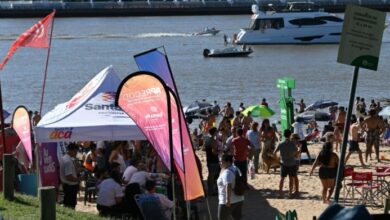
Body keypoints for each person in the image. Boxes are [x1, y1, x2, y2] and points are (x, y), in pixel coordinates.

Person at [217, 154, 244, 220]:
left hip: (228, 202)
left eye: (221, 161)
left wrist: (227, 199)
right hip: (239, 199)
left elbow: (228, 185)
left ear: (228, 162)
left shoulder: (227, 172)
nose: (220, 163)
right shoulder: (236, 168)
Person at [273, 129, 299, 198]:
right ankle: (290, 193)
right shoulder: (293, 144)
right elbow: (296, 155)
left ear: (284, 135)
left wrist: (277, 160)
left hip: (283, 163)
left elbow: (274, 153)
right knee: (291, 179)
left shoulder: (281, 143)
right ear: (290, 135)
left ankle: (280, 193)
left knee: (282, 179)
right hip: (292, 163)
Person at [59, 143, 81, 209]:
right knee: (70, 205)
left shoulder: (65, 158)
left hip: (68, 186)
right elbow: (69, 177)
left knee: (68, 204)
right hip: (70, 187)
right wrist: (79, 179)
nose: (76, 153)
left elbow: (70, 172)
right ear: (71, 150)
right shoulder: (67, 161)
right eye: (76, 151)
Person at [203, 127, 220, 195]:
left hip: (209, 159)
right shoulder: (213, 140)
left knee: (210, 175)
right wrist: (220, 151)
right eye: (216, 132)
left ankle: (210, 190)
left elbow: (203, 148)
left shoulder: (207, 139)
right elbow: (214, 152)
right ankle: (211, 191)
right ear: (214, 133)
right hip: (213, 160)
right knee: (213, 175)